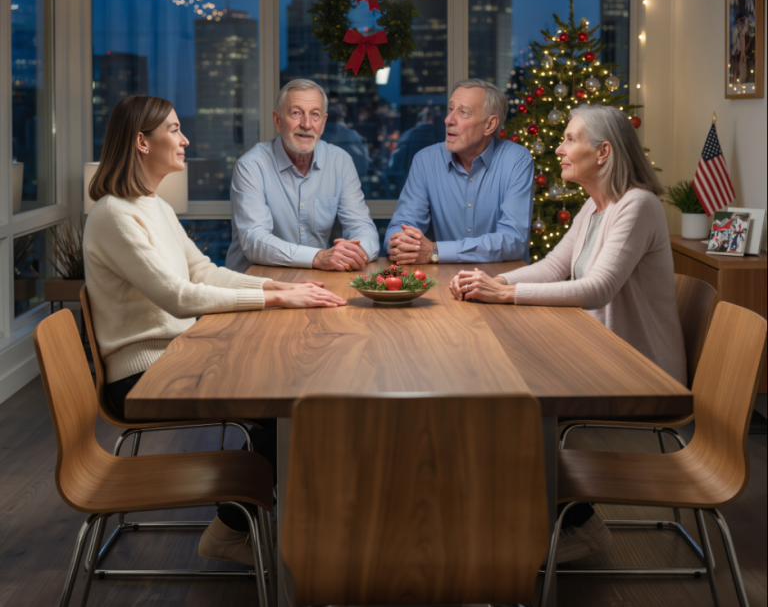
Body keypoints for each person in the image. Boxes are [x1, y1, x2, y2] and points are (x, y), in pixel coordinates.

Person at [83, 95, 346, 567]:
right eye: (175, 130)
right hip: (142, 379)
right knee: (284, 411)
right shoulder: (114, 216)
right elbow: (179, 296)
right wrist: (275, 298)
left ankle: (281, 522)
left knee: (288, 396)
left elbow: (201, 272)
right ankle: (228, 533)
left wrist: (272, 283)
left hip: (177, 354)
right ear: (142, 142)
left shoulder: (153, 206)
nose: (185, 140)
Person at [450, 103, 686, 563]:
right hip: (599, 356)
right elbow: (556, 267)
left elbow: (598, 289)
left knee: (510, 404)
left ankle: (579, 526)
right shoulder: (594, 208)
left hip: (641, 370)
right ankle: (531, 517)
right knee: (500, 389)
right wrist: (494, 282)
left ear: (603, 152)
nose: (558, 149)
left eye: (570, 139)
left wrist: (503, 296)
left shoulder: (637, 205)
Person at [226, 79, 379, 272]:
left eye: (314, 115)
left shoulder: (340, 162)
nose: (306, 124)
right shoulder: (251, 166)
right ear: (277, 120)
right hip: (256, 287)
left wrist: (357, 253)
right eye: (296, 113)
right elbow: (254, 241)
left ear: (323, 124)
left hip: (314, 283)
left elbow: (362, 228)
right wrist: (318, 257)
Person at [384, 79, 534, 264]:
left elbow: (513, 240)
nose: (448, 120)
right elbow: (401, 225)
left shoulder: (516, 160)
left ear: (489, 125)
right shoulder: (426, 161)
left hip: (499, 283)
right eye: (451, 109)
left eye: (463, 112)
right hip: (443, 282)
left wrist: (436, 251)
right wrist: (400, 242)